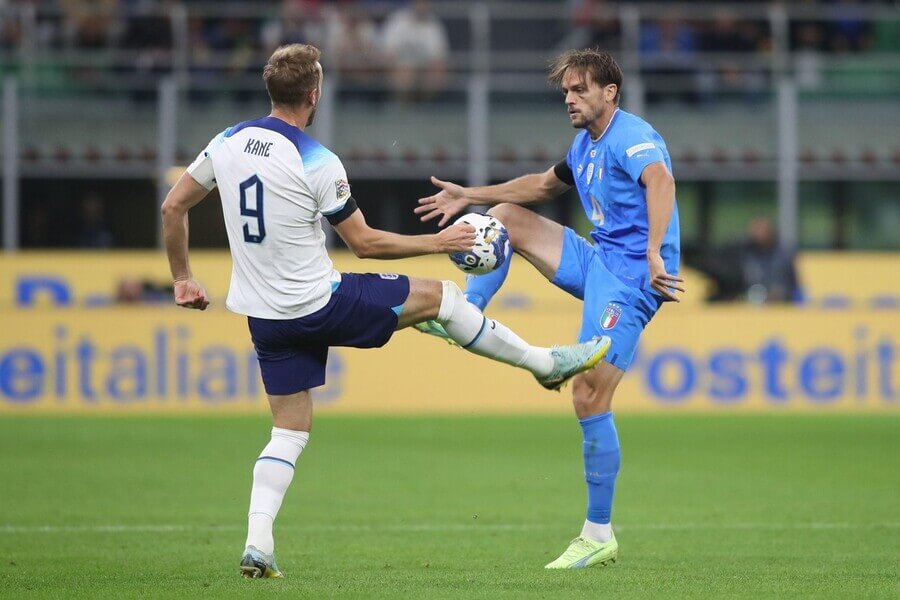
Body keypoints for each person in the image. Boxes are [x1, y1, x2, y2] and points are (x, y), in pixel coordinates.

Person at [160, 43, 610, 580]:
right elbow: (366, 245)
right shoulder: (318, 161)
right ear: (315, 93)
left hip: (264, 317)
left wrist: (183, 278)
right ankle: (544, 362)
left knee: (289, 431)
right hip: (321, 303)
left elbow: (173, 206)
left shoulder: (227, 141)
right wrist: (441, 242)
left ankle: (258, 545)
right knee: (441, 297)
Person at [415, 48, 684, 569]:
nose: (569, 98)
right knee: (504, 218)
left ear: (610, 92)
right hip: (599, 258)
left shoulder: (633, 136)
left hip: (631, 279)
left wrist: (654, 252)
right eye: (565, 91)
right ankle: (468, 313)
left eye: (579, 89)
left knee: (587, 395)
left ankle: (598, 533)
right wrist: (468, 194)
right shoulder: (584, 145)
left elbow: (662, 181)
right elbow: (541, 186)